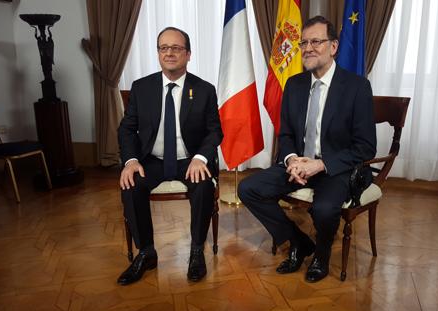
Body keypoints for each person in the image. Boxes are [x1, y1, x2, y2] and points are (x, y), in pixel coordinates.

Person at [238, 16, 376, 282]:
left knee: (324, 209)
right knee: (248, 189)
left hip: (336, 168)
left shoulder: (357, 87)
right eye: (304, 43)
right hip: (299, 164)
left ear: (333, 46)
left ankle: (321, 256)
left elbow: (365, 147)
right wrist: (291, 160)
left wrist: (321, 164)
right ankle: (299, 242)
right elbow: (286, 133)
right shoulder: (295, 85)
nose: (308, 48)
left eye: (316, 41)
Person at [117, 27, 223, 285]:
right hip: (152, 159)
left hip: (190, 159)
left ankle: (197, 251)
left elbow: (215, 131)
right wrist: (131, 161)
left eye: (176, 48)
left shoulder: (204, 89)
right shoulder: (141, 88)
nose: (170, 53)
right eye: (164, 48)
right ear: (158, 53)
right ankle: (146, 252)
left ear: (188, 54)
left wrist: (201, 157)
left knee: (202, 187)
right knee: (131, 186)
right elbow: (127, 129)